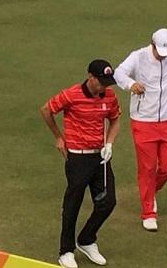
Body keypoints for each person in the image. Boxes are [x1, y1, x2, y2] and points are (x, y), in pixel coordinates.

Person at [40, 59, 121, 268]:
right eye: (101, 81)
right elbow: (46, 110)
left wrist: (110, 144)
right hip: (77, 157)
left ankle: (86, 240)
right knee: (73, 204)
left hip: (100, 157)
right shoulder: (72, 95)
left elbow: (115, 119)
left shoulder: (109, 96)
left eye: (107, 82)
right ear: (90, 77)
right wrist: (59, 137)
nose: (104, 86)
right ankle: (65, 251)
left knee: (108, 202)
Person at [113, 28, 167, 232]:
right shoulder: (139, 57)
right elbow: (118, 73)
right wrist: (131, 84)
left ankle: (150, 192)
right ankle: (148, 212)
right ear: (152, 44)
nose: (163, 55)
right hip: (143, 121)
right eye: (159, 50)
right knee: (147, 168)